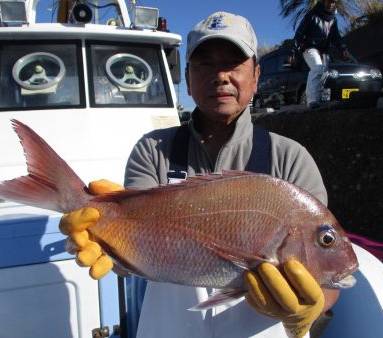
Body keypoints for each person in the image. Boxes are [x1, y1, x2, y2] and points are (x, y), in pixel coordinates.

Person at [60, 11, 340, 338]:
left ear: (256, 75)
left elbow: (329, 275)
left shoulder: (291, 159)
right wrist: (106, 237)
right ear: (188, 78)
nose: (220, 76)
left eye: (234, 63)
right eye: (205, 64)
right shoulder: (153, 150)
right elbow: (132, 254)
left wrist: (311, 308)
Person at [288, 0, 350, 109]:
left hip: (323, 50)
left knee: (324, 74)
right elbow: (299, 33)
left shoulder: (333, 20)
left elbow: (336, 37)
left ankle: (317, 99)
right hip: (309, 48)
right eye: (329, 1)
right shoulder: (312, 15)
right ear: (323, 1)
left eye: (333, 2)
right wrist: (292, 52)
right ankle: (311, 100)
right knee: (317, 68)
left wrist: (343, 49)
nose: (331, 4)